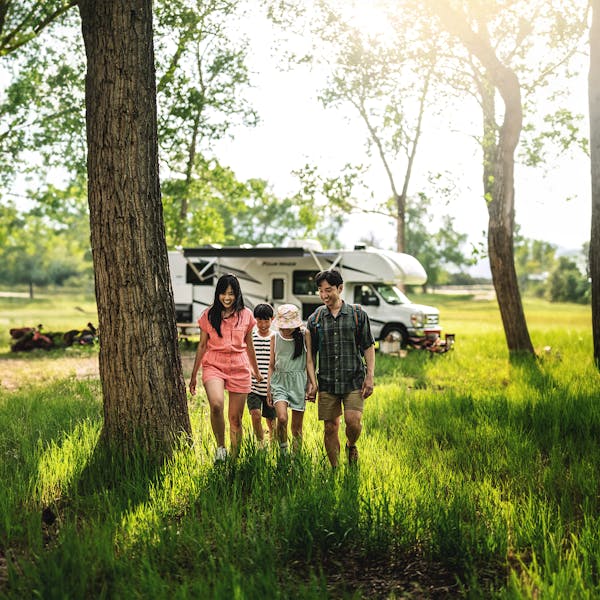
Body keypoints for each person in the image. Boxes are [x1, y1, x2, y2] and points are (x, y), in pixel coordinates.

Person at [189, 273, 262, 462]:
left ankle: (235, 460)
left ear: (237, 294)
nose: (227, 298)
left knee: (235, 419)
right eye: (223, 293)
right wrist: (193, 375)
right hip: (214, 364)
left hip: (239, 367)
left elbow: (249, 346)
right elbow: (202, 345)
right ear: (218, 294)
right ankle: (221, 449)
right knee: (216, 405)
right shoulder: (209, 315)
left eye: (231, 293)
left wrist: (256, 370)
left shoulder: (246, 315)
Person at [306, 270, 375, 467]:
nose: (324, 295)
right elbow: (311, 354)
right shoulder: (315, 319)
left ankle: (351, 444)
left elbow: (368, 346)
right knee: (330, 427)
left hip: (354, 379)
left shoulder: (357, 315)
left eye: (328, 290)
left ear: (340, 288)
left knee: (353, 422)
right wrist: (312, 382)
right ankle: (335, 469)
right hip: (327, 382)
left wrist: (370, 376)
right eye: (320, 291)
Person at [267, 304, 317, 456]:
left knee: (296, 428)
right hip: (279, 381)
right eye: (283, 327)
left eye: (289, 326)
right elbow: (271, 364)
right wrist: (268, 388)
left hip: (298, 382)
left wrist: (313, 382)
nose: (286, 330)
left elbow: (309, 361)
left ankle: (296, 459)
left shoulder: (304, 334)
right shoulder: (274, 337)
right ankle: (283, 452)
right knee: (282, 418)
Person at [247, 303, 277, 445]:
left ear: (273, 319)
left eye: (266, 320)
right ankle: (260, 444)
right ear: (255, 320)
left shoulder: (276, 338)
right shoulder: (251, 337)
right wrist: (253, 372)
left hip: (271, 388)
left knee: (271, 420)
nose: (263, 324)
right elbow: (246, 359)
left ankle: (274, 444)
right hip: (253, 387)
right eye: (259, 320)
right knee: (255, 415)